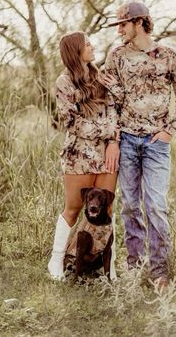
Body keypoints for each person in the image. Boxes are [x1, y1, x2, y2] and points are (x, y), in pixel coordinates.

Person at [103, 2, 176, 289]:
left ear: (140, 22)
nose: (119, 30)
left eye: (123, 24)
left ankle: (159, 273)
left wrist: (170, 131)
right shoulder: (116, 56)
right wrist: (114, 141)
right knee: (130, 206)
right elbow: (109, 103)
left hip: (156, 144)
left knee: (156, 206)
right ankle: (134, 267)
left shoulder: (168, 56)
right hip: (127, 140)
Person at [48, 31, 120, 281]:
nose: (92, 47)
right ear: (75, 51)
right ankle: (56, 259)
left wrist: (113, 141)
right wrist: (107, 131)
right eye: (87, 44)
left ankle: (111, 268)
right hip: (78, 154)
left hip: (106, 153)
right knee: (74, 208)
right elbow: (71, 121)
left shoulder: (100, 76)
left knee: (107, 207)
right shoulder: (64, 82)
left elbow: (113, 110)